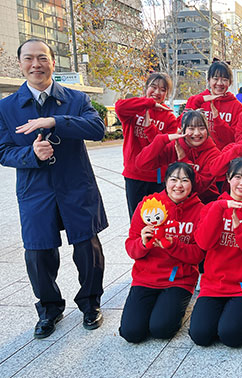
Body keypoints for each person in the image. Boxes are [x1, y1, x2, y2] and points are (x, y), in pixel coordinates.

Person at [0, 39, 107, 338]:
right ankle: (49, 309)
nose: (36, 64)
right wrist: (30, 155)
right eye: (29, 59)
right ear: (20, 64)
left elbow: (97, 129)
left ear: (52, 62)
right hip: (35, 189)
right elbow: (2, 150)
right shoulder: (6, 107)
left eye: (42, 58)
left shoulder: (75, 99)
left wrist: (54, 121)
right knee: (38, 252)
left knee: (88, 248)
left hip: (75, 185)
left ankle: (90, 304)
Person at [119, 162, 204, 343]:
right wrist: (143, 243)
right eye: (173, 179)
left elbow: (198, 254)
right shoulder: (148, 206)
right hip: (146, 277)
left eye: (184, 180)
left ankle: (171, 308)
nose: (178, 185)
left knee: (161, 329)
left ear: (192, 184)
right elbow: (131, 248)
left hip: (179, 279)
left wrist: (173, 245)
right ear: (166, 181)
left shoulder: (200, 211)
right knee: (131, 333)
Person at [189, 158, 242, 347]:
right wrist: (219, 208)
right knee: (200, 335)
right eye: (238, 177)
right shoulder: (212, 208)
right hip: (214, 285)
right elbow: (203, 243)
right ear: (228, 178)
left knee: (232, 336)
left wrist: (240, 231)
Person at [115, 72, 179, 218]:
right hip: (134, 175)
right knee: (137, 220)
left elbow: (165, 150)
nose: (157, 92)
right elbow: (119, 107)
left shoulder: (169, 117)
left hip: (156, 178)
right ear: (145, 88)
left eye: (163, 90)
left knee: (158, 220)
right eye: (153, 87)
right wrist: (149, 103)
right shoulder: (134, 110)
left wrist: (150, 129)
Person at [136, 110, 221, 203]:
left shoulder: (214, 154)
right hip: (174, 201)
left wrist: (183, 159)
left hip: (203, 202)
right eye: (191, 128)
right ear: (182, 129)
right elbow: (142, 164)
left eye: (201, 128)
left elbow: (199, 186)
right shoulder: (174, 146)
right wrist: (162, 139)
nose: (197, 133)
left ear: (207, 129)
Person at [185, 60, 242, 150]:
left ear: (230, 82)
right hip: (198, 155)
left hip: (223, 156)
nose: (219, 83)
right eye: (215, 79)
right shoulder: (198, 100)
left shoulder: (237, 107)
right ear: (208, 80)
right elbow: (183, 127)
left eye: (224, 79)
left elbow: (235, 138)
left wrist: (218, 120)